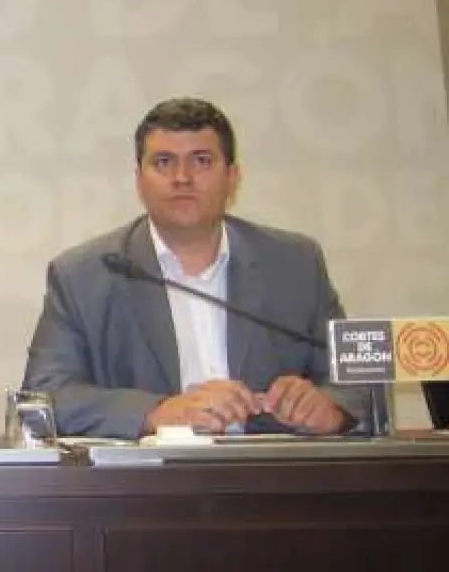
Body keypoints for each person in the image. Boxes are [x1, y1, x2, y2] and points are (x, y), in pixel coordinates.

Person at [23, 97, 372, 440]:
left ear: (232, 177)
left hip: (271, 471)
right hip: (148, 474)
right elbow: (43, 398)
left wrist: (331, 408)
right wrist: (156, 413)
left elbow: (357, 381)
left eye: (201, 161)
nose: (182, 178)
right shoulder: (84, 275)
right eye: (163, 162)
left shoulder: (295, 264)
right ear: (139, 180)